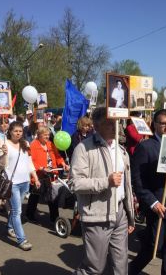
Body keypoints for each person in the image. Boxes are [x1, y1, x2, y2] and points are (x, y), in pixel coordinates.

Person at [71, 107, 135, 275]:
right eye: (108, 124)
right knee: (94, 267)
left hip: (119, 212)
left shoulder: (121, 150)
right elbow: (75, 183)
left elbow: (126, 184)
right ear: (96, 126)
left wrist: (130, 213)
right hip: (97, 215)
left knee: (121, 265)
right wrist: (105, 182)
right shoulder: (84, 148)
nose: (114, 127)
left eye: (115, 123)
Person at [129, 109, 166, 275]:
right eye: (163, 123)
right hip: (158, 204)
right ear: (155, 125)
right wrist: (152, 202)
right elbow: (138, 181)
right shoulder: (146, 147)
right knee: (153, 246)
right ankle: (129, 270)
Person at [0, 121, 40, 251]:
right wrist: (3, 153)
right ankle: (22, 239)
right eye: (15, 131)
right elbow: (0, 165)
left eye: (20, 131)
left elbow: (29, 162)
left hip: (25, 182)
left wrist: (35, 178)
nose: (18, 133)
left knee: (16, 209)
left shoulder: (25, 144)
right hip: (12, 183)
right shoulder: (4, 144)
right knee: (17, 212)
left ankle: (10, 228)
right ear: (10, 131)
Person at [26, 126, 70, 223]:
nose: (47, 136)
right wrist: (41, 168)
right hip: (39, 175)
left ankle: (55, 219)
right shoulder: (33, 145)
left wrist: (63, 164)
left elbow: (58, 156)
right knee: (35, 196)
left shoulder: (50, 144)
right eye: (45, 135)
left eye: (48, 135)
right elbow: (31, 161)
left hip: (51, 174)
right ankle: (29, 214)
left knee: (52, 196)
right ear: (39, 135)